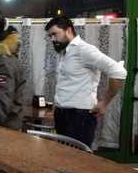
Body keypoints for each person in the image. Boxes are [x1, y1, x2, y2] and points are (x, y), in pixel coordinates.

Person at [45, 16, 127, 147]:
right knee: (63, 158)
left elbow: (118, 71)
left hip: (80, 116)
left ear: (68, 30)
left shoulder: (84, 50)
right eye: (50, 36)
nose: (53, 39)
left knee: (77, 160)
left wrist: (104, 103)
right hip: (62, 114)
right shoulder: (64, 52)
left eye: (55, 34)